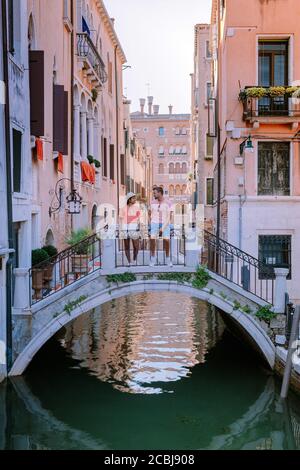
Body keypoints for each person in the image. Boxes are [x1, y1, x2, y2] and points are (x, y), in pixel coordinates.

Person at [149, 186, 173, 267]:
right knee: (152, 239)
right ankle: (153, 259)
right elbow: (149, 213)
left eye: (155, 193)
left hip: (165, 223)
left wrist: (162, 228)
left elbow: (169, 217)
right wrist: (151, 222)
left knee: (166, 240)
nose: (154, 194)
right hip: (154, 223)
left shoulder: (168, 202)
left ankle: (168, 259)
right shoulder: (152, 202)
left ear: (159, 193)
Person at [119, 193, 141, 266]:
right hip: (125, 227)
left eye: (135, 198)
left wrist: (139, 227)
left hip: (134, 227)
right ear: (129, 199)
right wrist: (121, 229)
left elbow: (138, 219)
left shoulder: (137, 208)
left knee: (136, 246)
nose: (135, 199)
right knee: (127, 246)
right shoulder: (123, 208)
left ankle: (134, 260)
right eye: (133, 198)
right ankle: (129, 262)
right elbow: (121, 219)